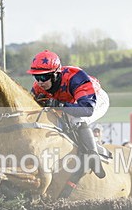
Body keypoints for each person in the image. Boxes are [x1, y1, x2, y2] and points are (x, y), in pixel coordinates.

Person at [27, 50, 110, 178]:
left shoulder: (76, 77)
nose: (40, 82)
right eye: (36, 77)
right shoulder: (39, 86)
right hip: (70, 101)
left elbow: (87, 110)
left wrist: (59, 105)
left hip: (94, 100)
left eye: (43, 77)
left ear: (55, 74)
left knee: (76, 119)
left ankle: (93, 156)